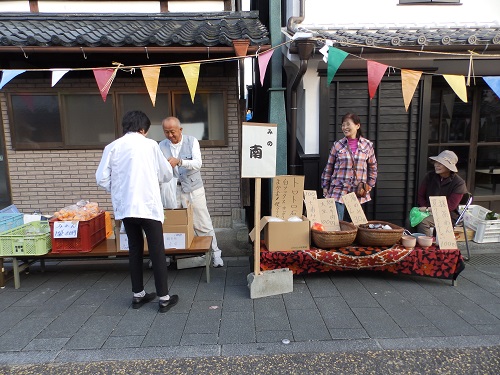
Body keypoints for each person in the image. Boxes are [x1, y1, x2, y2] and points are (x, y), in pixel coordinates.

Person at [96, 110, 179, 313]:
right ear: (143, 129)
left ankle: (138, 294)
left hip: (125, 208)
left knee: (134, 250)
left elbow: (101, 178)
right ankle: (164, 298)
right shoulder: (150, 145)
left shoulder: (112, 147)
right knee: (157, 251)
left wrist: (118, 189)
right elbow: (166, 173)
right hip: (148, 207)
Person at [159, 116, 224, 268]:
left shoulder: (192, 141)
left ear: (180, 130)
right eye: (166, 132)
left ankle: (215, 254)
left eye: (173, 132)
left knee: (203, 223)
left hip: (194, 189)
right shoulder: (160, 145)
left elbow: (198, 163)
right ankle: (167, 257)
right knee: (171, 223)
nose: (170, 135)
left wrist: (180, 161)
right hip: (172, 190)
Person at [321, 112, 378, 220]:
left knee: (355, 224)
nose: (345, 127)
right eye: (343, 125)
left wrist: (370, 184)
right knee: (337, 223)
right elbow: (329, 167)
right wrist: (325, 186)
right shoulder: (337, 145)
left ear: (357, 126)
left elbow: (373, 166)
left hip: (357, 191)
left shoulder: (367, 145)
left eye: (348, 124)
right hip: (338, 189)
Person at [416, 150, 468, 237]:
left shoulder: (459, 183)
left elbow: (450, 206)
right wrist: (426, 209)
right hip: (427, 211)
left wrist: (428, 209)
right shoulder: (430, 176)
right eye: (436, 162)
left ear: (449, 167)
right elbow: (421, 195)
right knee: (410, 220)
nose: (437, 165)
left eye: (441, 163)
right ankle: (412, 246)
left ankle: (426, 248)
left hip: (447, 214)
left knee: (423, 222)